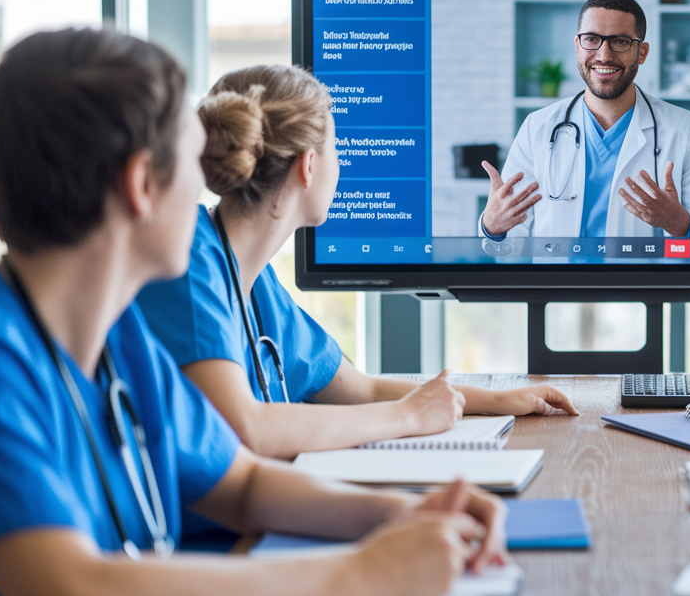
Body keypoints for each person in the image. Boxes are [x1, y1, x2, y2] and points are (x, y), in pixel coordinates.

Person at [0, 28, 507, 596]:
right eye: (194, 159)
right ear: (142, 184)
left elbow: (244, 484)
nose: (211, 183)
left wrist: (403, 517)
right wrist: (362, 574)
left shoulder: (120, 339)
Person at [136, 64, 578, 464]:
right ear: (308, 166)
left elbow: (359, 389)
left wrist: (501, 400)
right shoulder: (189, 261)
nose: (341, 162)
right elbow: (246, 429)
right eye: (336, 147)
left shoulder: (254, 283)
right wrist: (404, 417)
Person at [478, 0, 690, 245]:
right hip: (557, 285)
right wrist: (491, 227)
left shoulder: (686, 129)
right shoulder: (538, 127)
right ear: (577, 46)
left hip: (644, 286)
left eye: (620, 41)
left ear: (642, 52)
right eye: (592, 39)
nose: (604, 55)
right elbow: (510, 242)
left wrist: (681, 224)